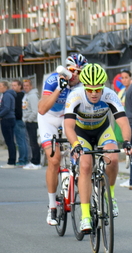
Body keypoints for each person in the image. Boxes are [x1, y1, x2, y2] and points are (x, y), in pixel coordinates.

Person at [64, 63, 132, 232]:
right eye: (90, 90)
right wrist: (75, 145)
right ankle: (86, 216)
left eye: (98, 89)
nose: (94, 93)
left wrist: (126, 141)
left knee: (113, 158)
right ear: (84, 87)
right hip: (81, 133)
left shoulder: (110, 95)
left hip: (102, 130)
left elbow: (123, 122)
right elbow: (68, 127)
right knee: (86, 165)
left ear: (103, 87)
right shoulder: (75, 96)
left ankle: (109, 195)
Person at [38, 53, 88, 225]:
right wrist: (59, 88)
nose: (75, 75)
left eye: (80, 72)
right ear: (66, 69)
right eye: (73, 70)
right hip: (49, 119)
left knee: (82, 158)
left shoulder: (83, 85)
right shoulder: (53, 79)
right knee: (54, 159)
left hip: (68, 120)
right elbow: (42, 109)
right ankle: (52, 207)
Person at [22, 79, 41, 169]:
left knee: (34, 142)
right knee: (31, 142)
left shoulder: (33, 96)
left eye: (27, 85)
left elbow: (35, 110)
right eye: (24, 85)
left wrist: (29, 119)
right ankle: (33, 160)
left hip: (33, 122)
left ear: (31, 86)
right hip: (28, 121)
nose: (25, 87)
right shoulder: (27, 95)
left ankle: (36, 162)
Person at [0, 81, 17, 168]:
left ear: (5, 87)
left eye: (0, 86)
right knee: (10, 140)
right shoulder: (7, 94)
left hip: (7, 119)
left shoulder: (7, 95)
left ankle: (11, 161)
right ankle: (12, 160)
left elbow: (6, 108)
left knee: (9, 140)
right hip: (9, 119)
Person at [11, 80, 28, 167]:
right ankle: (24, 159)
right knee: (23, 140)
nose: (13, 87)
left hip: (19, 120)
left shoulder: (19, 96)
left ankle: (22, 160)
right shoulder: (18, 95)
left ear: (19, 86)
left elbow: (18, 109)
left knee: (20, 141)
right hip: (20, 119)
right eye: (12, 85)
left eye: (14, 85)